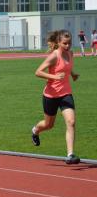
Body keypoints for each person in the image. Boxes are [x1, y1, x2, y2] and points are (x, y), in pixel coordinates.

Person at [31, 30, 80, 165]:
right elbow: (38, 72)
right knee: (48, 125)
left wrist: (73, 74)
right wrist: (54, 77)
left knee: (71, 122)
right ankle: (35, 130)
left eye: (69, 43)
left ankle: (70, 154)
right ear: (58, 43)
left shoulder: (70, 54)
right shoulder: (54, 56)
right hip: (51, 95)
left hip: (65, 93)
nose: (67, 46)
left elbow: (66, 68)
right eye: (64, 43)